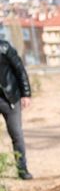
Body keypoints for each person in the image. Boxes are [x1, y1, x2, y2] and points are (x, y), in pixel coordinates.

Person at [0, 39, 32, 180]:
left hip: (10, 99)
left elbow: (20, 70)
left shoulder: (4, 47)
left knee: (16, 135)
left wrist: (26, 94)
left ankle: (22, 169)